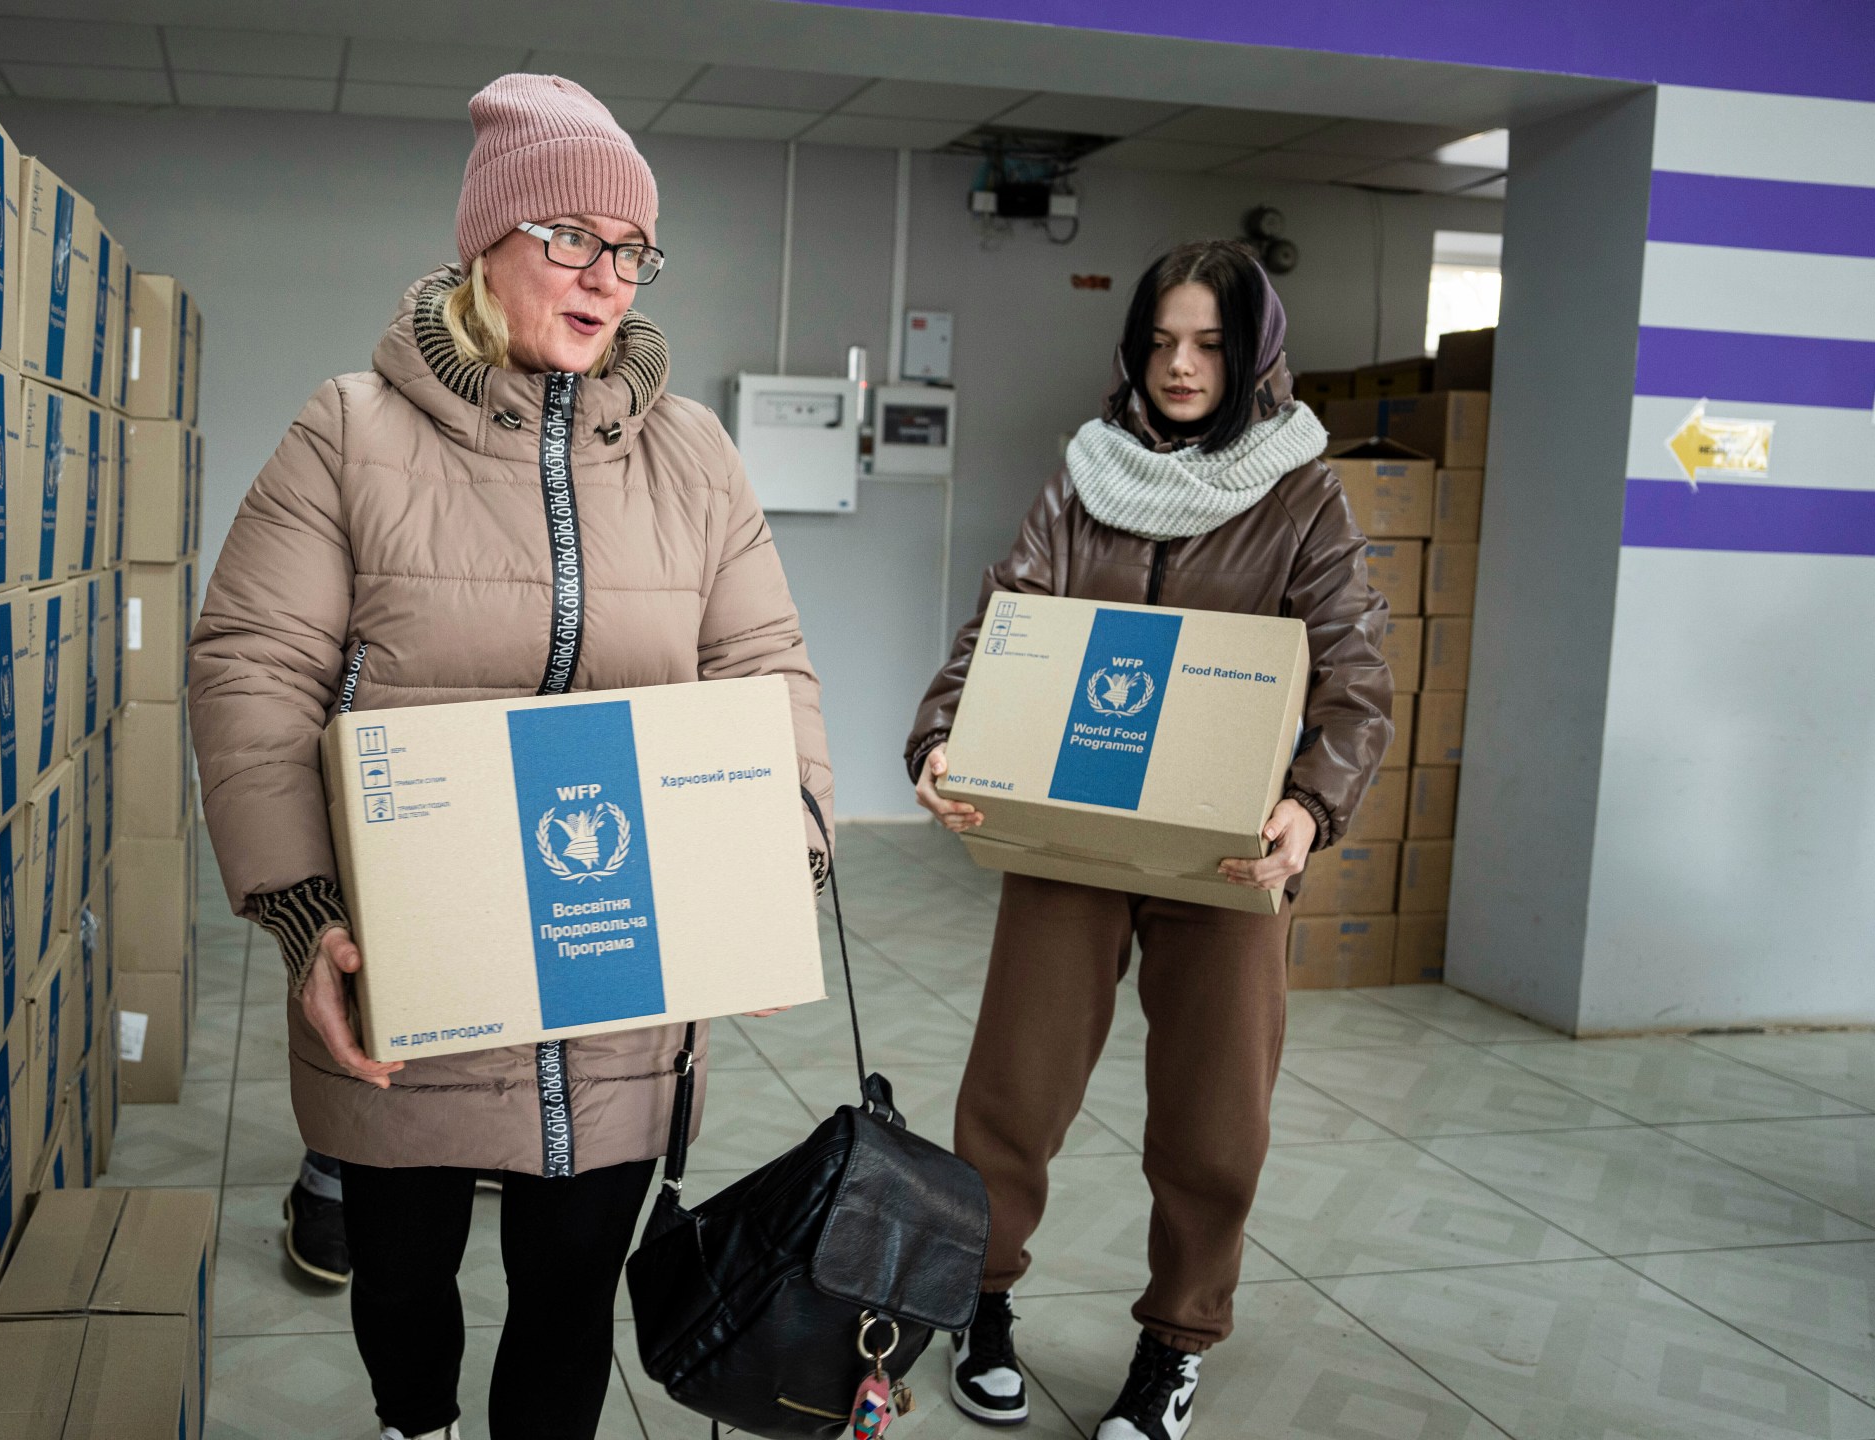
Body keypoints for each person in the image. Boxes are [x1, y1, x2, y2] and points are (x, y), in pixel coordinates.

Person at [188, 73, 833, 1440]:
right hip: (415, 968)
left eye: (632, 247)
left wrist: (779, 858)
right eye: (571, 236)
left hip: (618, 979)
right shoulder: (347, 431)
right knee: (407, 1278)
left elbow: (766, 667)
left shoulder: (694, 457)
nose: (608, 274)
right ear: (485, 240)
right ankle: (413, 1426)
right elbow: (255, 667)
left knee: (568, 1292)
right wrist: (308, 915)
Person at [905, 240, 1391, 1440]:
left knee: (1212, 1117)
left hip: (1226, 856)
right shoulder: (1083, 480)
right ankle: (982, 1304)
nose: (1181, 366)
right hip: (1072, 837)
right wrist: (938, 737)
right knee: (1010, 1095)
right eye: (1161, 341)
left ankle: (1175, 1340)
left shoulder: (1300, 493)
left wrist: (1309, 806)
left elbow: (1357, 681)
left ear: (1255, 356)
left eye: (1211, 344)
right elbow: (999, 630)